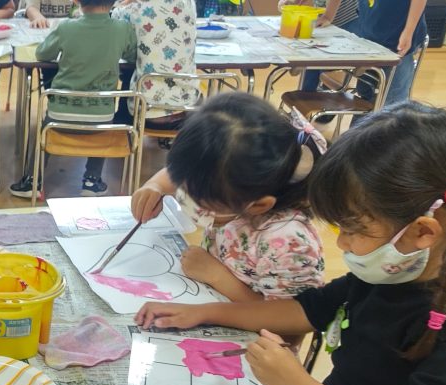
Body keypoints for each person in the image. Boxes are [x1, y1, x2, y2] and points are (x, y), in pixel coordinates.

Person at [135, 102, 446, 385]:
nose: (342, 245)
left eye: (353, 230)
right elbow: (305, 310)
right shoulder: (387, 273)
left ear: (423, 232)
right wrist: (205, 312)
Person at [130, 93, 326, 302]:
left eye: (200, 200)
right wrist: (155, 186)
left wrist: (217, 277)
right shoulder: (232, 191)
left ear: (259, 205)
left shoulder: (290, 243)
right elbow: (186, 173)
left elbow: (289, 318)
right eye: (183, 186)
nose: (185, 198)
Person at [9, 0, 138, 198]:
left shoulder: (67, 27)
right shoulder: (123, 28)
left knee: (42, 129)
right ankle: (92, 180)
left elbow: (42, 53)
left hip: (60, 115)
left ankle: (33, 181)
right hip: (102, 116)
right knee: (102, 130)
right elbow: (132, 55)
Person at [112, 0, 198, 132]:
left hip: (145, 109)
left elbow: (113, 19)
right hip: (187, 107)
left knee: (131, 70)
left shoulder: (131, 10)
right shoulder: (188, 3)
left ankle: (124, 130)